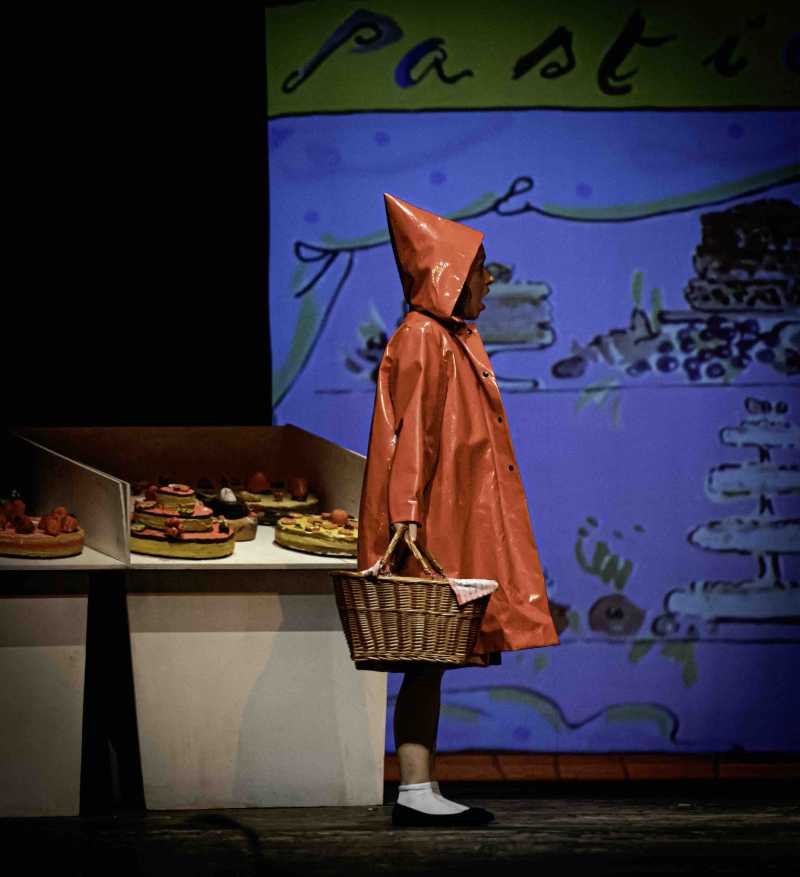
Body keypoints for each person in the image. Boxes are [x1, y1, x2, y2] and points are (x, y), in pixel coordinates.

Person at [357, 193, 561, 827]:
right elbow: (411, 433)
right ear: (449, 274)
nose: (490, 280)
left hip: (441, 515)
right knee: (425, 659)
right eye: (481, 268)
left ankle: (420, 787)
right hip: (427, 524)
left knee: (432, 663)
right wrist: (407, 519)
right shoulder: (424, 337)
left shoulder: (446, 338)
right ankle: (415, 790)